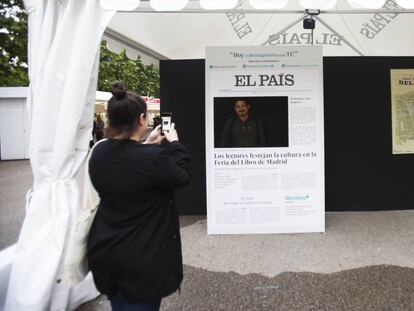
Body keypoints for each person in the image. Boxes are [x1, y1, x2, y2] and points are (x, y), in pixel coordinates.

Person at [87, 81, 191, 311]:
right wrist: (174, 143)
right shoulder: (151, 159)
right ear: (142, 119)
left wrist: (146, 143)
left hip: (108, 251)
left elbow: (128, 161)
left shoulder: (99, 152)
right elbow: (181, 176)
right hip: (143, 258)